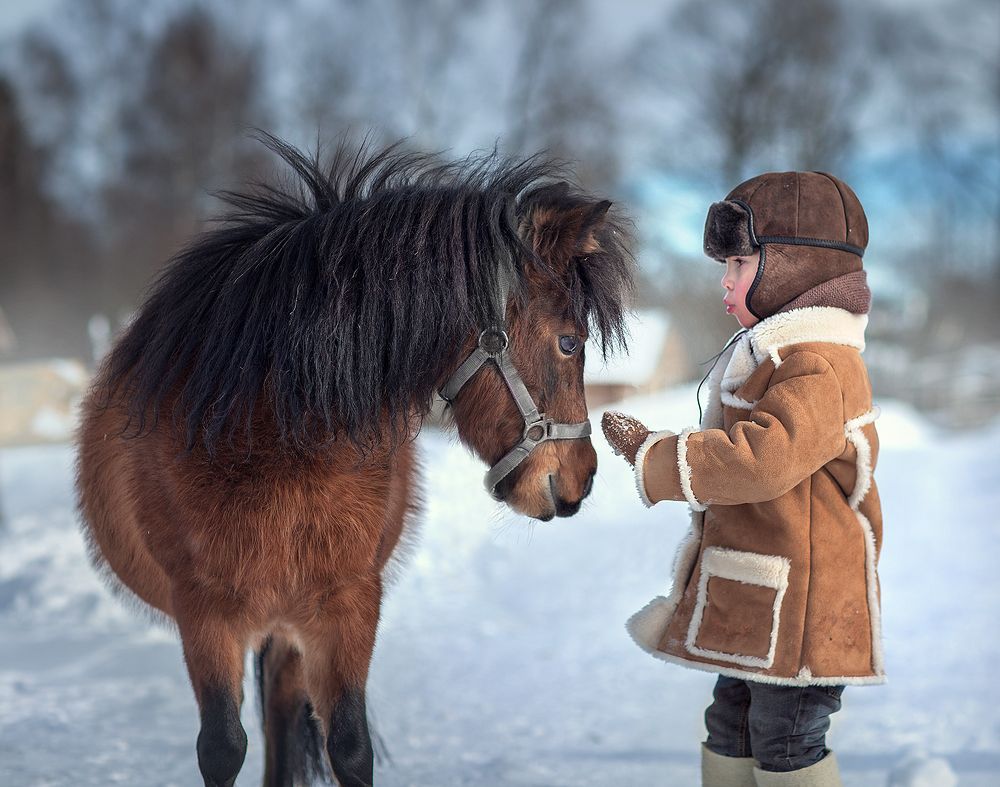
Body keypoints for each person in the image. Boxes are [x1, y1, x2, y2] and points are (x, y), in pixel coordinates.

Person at [602, 172, 884, 786]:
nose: (724, 282)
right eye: (723, 265)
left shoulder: (818, 362)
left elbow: (765, 459)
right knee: (730, 726)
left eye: (738, 262)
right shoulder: (773, 354)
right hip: (765, 599)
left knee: (786, 742)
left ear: (796, 268)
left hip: (808, 608)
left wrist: (659, 455)